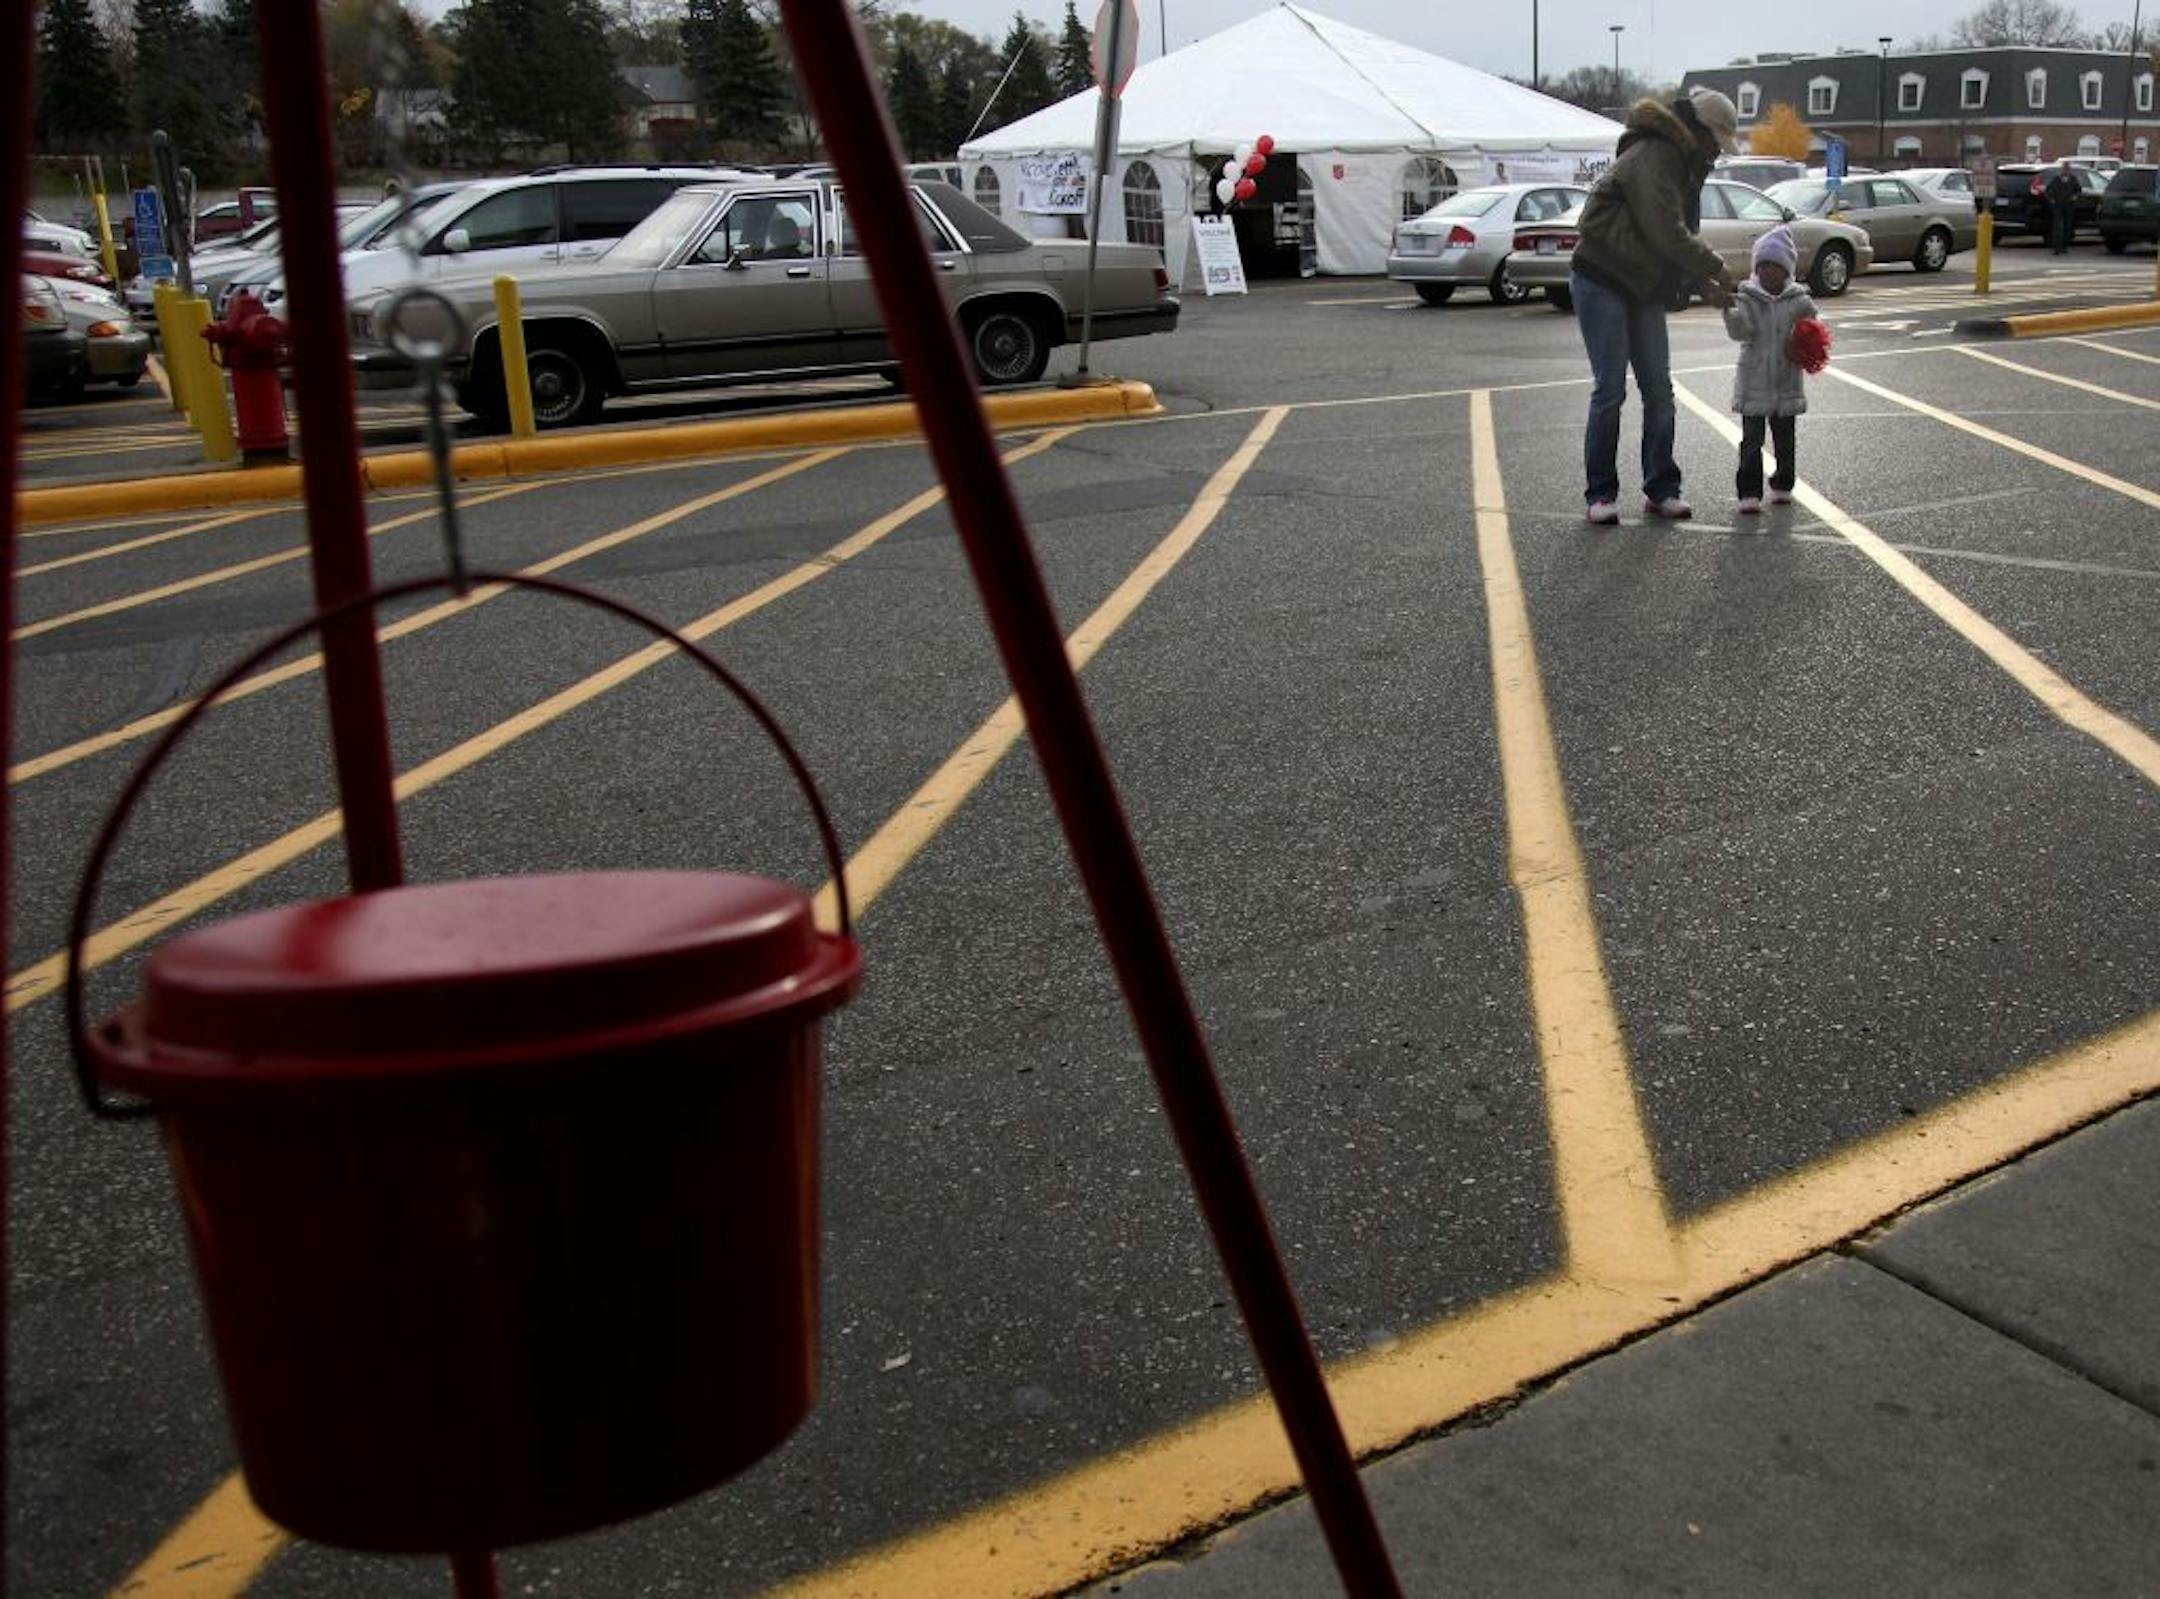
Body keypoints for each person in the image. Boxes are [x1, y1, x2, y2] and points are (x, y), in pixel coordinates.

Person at [1568, 87, 1742, 525]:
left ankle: (1662, 488)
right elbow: (1665, 231)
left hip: (1642, 284)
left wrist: (1705, 285)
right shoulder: (1655, 153)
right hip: (1602, 275)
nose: (1716, 152)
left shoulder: (1686, 165)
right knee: (1610, 389)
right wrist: (1717, 269)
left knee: (1659, 391)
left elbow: (1669, 244)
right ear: (1698, 130)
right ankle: (1601, 493)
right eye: (1715, 141)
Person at [1721, 225, 1818, 514]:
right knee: (1751, 441)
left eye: (1774, 266)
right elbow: (1741, 332)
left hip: (1786, 383)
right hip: (1754, 382)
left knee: (1785, 439)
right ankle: (1749, 492)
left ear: (1786, 269)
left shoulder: (1800, 300)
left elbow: (1814, 330)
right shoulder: (1747, 297)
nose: (1767, 271)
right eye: (1761, 265)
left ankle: (1782, 484)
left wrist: (1803, 341)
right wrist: (1730, 311)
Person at [2043, 163, 2080, 255]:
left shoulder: (2073, 180)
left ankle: (2064, 246)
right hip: (2057, 206)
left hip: (2069, 206)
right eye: (2064, 169)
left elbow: (2078, 190)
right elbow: (2048, 190)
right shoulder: (2056, 179)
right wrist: (2051, 199)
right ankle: (2056, 247)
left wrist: (2075, 196)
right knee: (2058, 226)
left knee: (2067, 226)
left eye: (2067, 169)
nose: (2065, 171)